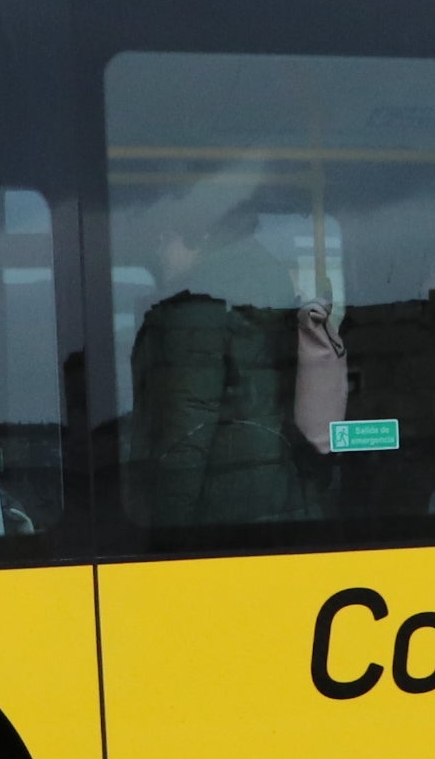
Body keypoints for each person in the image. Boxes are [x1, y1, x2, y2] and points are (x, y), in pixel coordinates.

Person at [129, 174, 305, 525]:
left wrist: (166, 532)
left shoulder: (195, 310)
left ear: (200, 234)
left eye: (165, 237)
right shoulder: (269, 283)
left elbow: (187, 433)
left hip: (218, 511)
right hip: (272, 490)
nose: (158, 252)